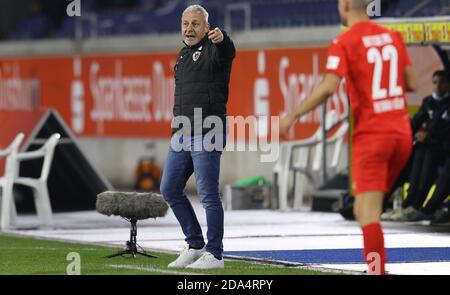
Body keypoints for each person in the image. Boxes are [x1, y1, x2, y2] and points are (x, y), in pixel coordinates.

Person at [280, 0, 418, 275]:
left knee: (366, 213)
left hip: (373, 137)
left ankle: (376, 271)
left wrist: (293, 115)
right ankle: (377, 268)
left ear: (344, 6)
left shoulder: (344, 41)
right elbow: (412, 83)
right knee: (367, 211)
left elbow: (329, 87)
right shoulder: (393, 37)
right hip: (402, 135)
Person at [159, 4, 235, 269]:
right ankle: (194, 244)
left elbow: (228, 50)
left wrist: (222, 38)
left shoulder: (215, 50)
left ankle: (215, 254)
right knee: (169, 188)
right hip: (182, 133)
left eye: (195, 24)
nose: (189, 29)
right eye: (185, 24)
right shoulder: (182, 56)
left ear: (206, 27)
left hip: (208, 131)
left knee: (207, 194)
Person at [401, 70, 450, 221]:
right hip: (429, 145)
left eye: (441, 82)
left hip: (443, 148)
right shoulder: (428, 101)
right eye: (435, 82)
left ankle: (424, 206)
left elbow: (445, 130)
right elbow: (415, 123)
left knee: (429, 154)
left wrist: (429, 136)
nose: (437, 86)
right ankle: (409, 204)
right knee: (416, 152)